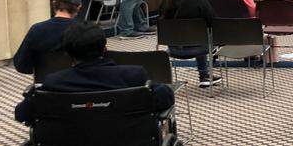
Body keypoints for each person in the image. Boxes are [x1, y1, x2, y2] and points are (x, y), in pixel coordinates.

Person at [15, 22, 175, 124]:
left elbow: (22, 113)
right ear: (105, 49)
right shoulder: (133, 75)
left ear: (68, 53)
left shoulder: (53, 83)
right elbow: (166, 97)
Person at [160, 0, 222, 88]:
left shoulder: (166, 0)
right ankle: (204, 76)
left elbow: (162, 22)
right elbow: (213, 23)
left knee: (196, 36)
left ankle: (169, 80)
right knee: (202, 36)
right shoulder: (199, 0)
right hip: (198, 48)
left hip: (173, 48)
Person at [12, 0, 82, 75]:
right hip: (80, 85)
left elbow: (21, 65)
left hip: (45, 85)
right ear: (79, 7)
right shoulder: (87, 30)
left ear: (54, 4)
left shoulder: (37, 29)